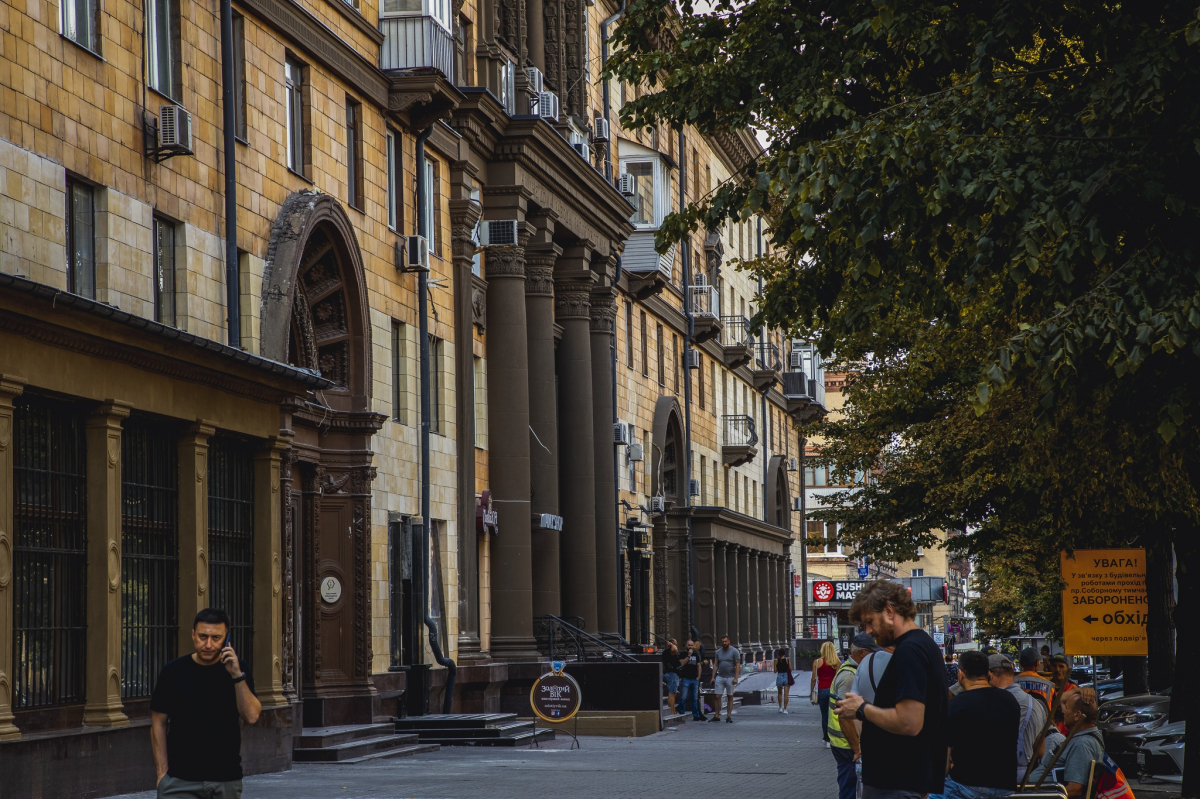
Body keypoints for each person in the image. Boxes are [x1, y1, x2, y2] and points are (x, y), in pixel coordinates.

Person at [836, 580, 949, 799]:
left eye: (870, 622)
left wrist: (861, 708)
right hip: (902, 782)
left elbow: (909, 722)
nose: (868, 632)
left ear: (889, 611)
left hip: (897, 784)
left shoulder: (910, 651)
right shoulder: (919, 646)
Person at [151, 608, 261, 799]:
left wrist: (236, 675)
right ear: (193, 635)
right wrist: (162, 774)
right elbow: (158, 723)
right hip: (179, 781)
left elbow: (252, 716)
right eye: (203, 636)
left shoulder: (239, 670)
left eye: (216, 638)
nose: (208, 644)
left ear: (227, 639)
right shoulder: (173, 672)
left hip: (225, 780)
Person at [927, 651, 1021, 799]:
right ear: (988, 674)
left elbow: (942, 762)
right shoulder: (1009, 700)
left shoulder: (955, 705)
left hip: (965, 786)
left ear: (960, 674)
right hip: (1006, 787)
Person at [1029, 689, 1135, 798]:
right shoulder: (1082, 738)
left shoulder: (1082, 744)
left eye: (1067, 708)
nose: (1063, 711)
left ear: (1077, 715)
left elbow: (1075, 789)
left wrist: (1042, 795)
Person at [988, 652, 1047, 783]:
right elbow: (1041, 750)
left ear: (990, 675)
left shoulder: (992, 703)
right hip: (1027, 776)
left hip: (997, 777)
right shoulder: (1036, 704)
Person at [829, 634, 874, 799]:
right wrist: (856, 749)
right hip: (846, 743)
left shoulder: (849, 669)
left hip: (842, 741)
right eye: (871, 652)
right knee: (849, 789)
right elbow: (845, 715)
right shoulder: (849, 676)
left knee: (848, 785)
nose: (874, 657)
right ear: (862, 653)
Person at [811, 640, 841, 746]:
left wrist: (811, 692)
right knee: (833, 715)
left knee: (824, 716)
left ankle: (826, 738)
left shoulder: (817, 662)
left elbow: (813, 679)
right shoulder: (837, 662)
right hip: (833, 691)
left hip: (822, 690)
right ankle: (834, 737)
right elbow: (838, 678)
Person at [709, 635, 741, 723]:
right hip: (720, 676)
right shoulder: (718, 652)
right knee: (717, 696)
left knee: (730, 696)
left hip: (730, 677)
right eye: (722, 642)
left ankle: (728, 716)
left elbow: (737, 664)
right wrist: (713, 677)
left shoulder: (734, 651)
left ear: (729, 641)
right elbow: (715, 664)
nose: (724, 643)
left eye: (725, 641)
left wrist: (736, 677)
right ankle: (717, 715)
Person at [1048, 654, 1079, 735]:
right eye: (1054, 666)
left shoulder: (1073, 688)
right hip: (1050, 731)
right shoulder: (1047, 687)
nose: (1057, 669)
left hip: (1069, 733)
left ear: (1067, 669)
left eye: (1061, 666)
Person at [679, 639, 706, 721]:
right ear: (686, 646)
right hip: (685, 678)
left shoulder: (696, 654)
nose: (690, 647)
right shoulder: (682, 654)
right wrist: (688, 655)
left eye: (691, 645)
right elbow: (682, 663)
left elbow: (699, 666)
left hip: (694, 679)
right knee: (683, 697)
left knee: (694, 698)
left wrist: (699, 676)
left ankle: (696, 715)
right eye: (689, 645)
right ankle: (681, 713)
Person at [662, 639, 682, 714]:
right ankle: (672, 710)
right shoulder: (668, 652)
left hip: (674, 674)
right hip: (671, 674)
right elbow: (674, 649)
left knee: (673, 692)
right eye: (675, 644)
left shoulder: (670, 652)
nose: (676, 645)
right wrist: (671, 645)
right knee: (672, 693)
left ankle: (671, 708)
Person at [775, 648, 793, 714]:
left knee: (779, 693)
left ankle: (780, 708)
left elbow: (775, 670)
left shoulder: (776, 661)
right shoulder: (788, 660)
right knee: (786, 694)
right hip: (786, 676)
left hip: (779, 676)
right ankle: (785, 709)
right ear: (784, 654)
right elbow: (790, 669)